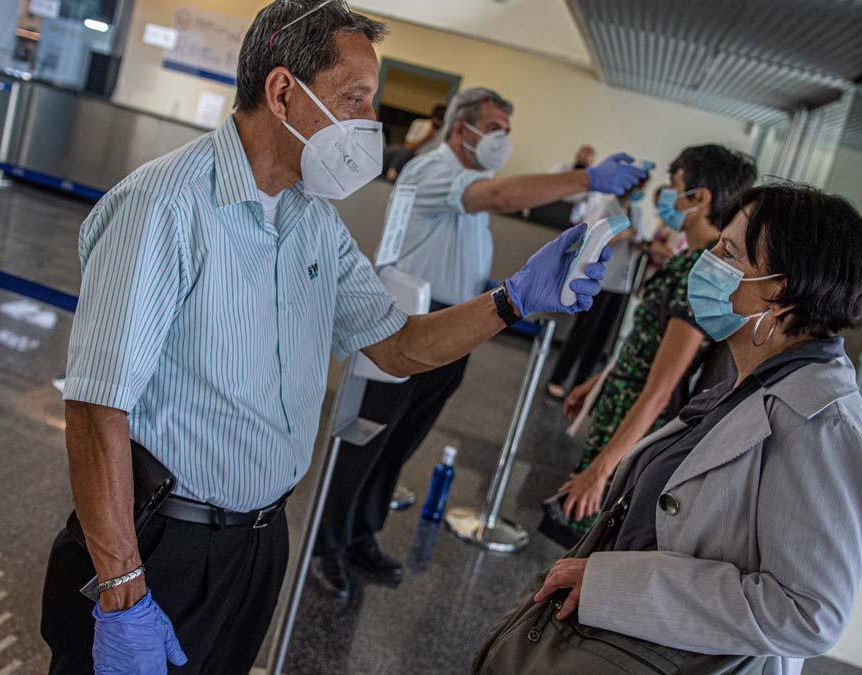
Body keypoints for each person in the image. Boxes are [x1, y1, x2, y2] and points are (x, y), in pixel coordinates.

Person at [38, 2, 612, 673]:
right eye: (355, 98)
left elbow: (397, 344)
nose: (371, 122)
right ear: (282, 92)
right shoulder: (165, 206)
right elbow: (95, 407)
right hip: (162, 543)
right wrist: (120, 589)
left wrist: (512, 298)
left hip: (257, 541)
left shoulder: (312, 221)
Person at [484, 183, 862, 675]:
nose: (707, 260)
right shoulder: (750, 383)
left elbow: (808, 613)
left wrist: (614, 586)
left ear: (779, 290)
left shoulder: (822, 425)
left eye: (728, 252)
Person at [311, 86, 647, 599]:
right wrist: (588, 179)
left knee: (400, 444)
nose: (502, 141)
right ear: (461, 127)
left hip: (454, 324)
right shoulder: (435, 169)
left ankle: (361, 534)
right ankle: (325, 546)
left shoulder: (471, 178)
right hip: (402, 323)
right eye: (495, 130)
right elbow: (498, 197)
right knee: (366, 441)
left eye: (507, 133)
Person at [556, 145, 757, 538]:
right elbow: (652, 354)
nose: (667, 194)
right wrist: (599, 384)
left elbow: (662, 390)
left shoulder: (699, 275)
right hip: (623, 418)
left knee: (592, 549)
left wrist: (600, 472)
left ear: (700, 199)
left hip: (633, 439)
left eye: (675, 185)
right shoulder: (690, 263)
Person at [545, 170, 654, 399]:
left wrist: (640, 243)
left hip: (621, 283)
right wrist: (623, 236)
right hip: (600, 280)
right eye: (640, 187)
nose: (641, 192)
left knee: (601, 339)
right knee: (583, 332)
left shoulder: (636, 211)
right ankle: (558, 378)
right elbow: (591, 237)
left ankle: (579, 385)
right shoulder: (607, 205)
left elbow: (640, 237)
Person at [384, 103, 447, 180]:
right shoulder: (419, 124)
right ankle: (390, 172)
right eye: (436, 119)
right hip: (412, 153)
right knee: (395, 150)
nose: (437, 122)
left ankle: (394, 173)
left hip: (429, 160)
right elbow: (407, 146)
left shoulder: (445, 133)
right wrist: (426, 138)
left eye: (440, 120)